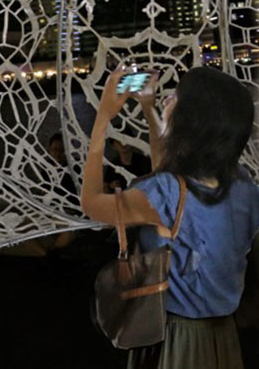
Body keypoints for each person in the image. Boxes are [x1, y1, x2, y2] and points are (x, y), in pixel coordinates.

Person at [81, 65, 259, 368]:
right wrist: (149, 110)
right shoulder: (243, 185)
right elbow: (171, 175)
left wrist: (102, 118)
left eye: (175, 97)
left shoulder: (165, 193)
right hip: (223, 336)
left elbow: (92, 203)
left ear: (193, 119)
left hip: (176, 338)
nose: (167, 101)